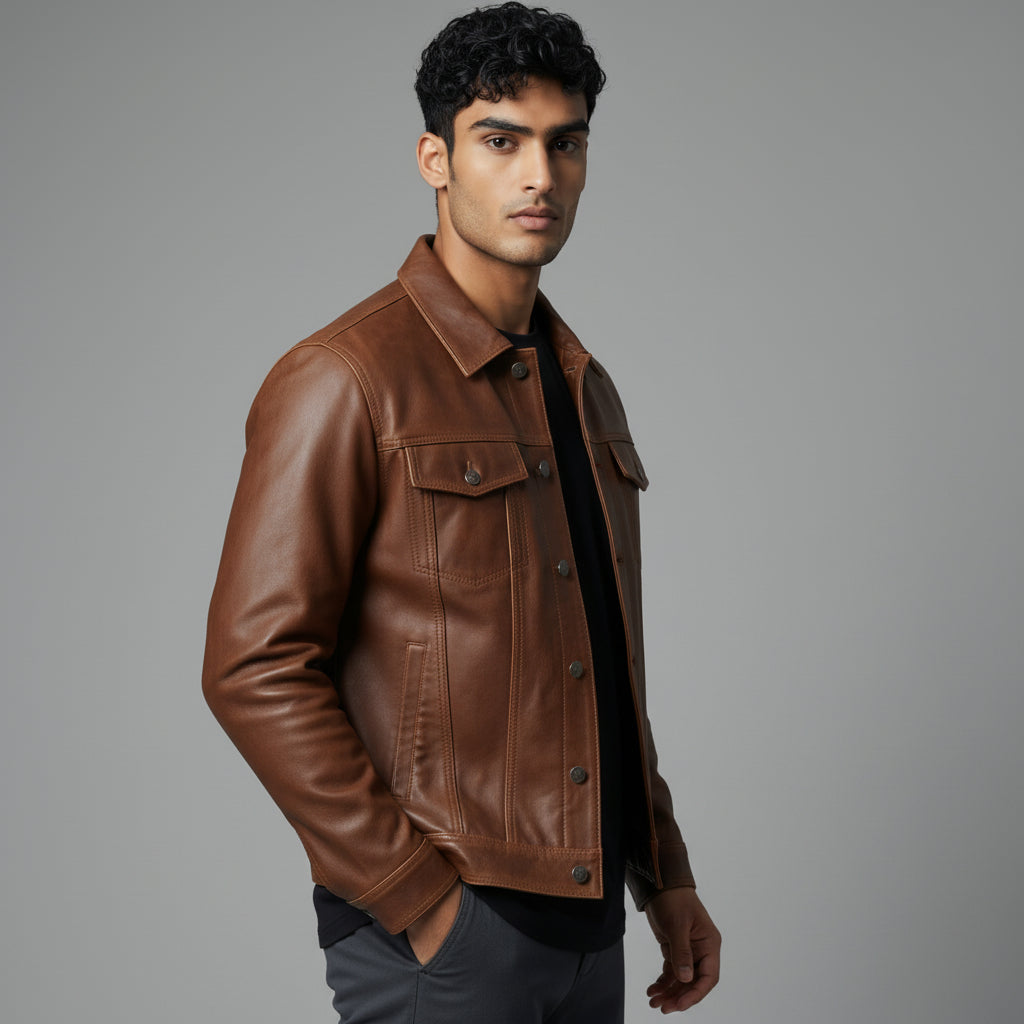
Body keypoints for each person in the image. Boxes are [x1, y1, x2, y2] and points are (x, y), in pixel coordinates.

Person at [202, 3, 721, 1020]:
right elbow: (252, 666)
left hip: (591, 932)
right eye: (501, 141)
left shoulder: (585, 390)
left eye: (564, 144)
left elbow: (599, 663)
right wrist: (418, 899)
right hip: (447, 936)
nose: (540, 176)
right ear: (434, 159)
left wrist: (665, 874)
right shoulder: (344, 377)